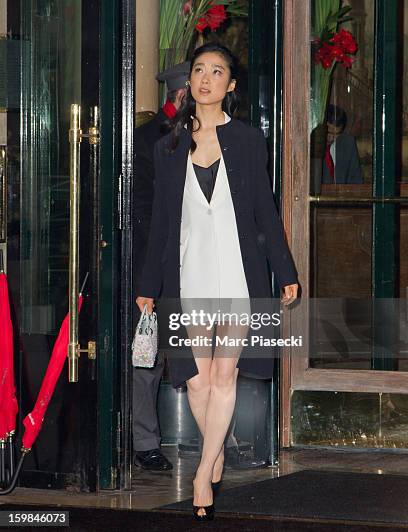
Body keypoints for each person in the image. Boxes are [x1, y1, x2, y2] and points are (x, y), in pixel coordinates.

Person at [136, 43, 298, 521]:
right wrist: (148, 283)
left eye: (217, 72)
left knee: (225, 374)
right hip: (187, 274)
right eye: (199, 70)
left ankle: (204, 470)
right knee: (197, 380)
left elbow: (264, 212)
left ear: (230, 86)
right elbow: (162, 223)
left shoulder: (247, 141)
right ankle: (216, 452)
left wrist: (284, 271)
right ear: (191, 82)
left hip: (236, 273)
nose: (205, 78)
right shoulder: (167, 144)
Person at [132, 62, 189, 471]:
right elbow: (145, 210)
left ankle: (223, 433)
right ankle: (144, 441)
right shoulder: (145, 140)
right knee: (147, 355)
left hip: (197, 258)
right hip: (158, 260)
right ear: (182, 93)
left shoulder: (216, 134)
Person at [322, 104, 363, 184]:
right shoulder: (310, 144)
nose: (330, 138)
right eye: (328, 132)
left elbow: (356, 179)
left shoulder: (348, 143)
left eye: (336, 134)